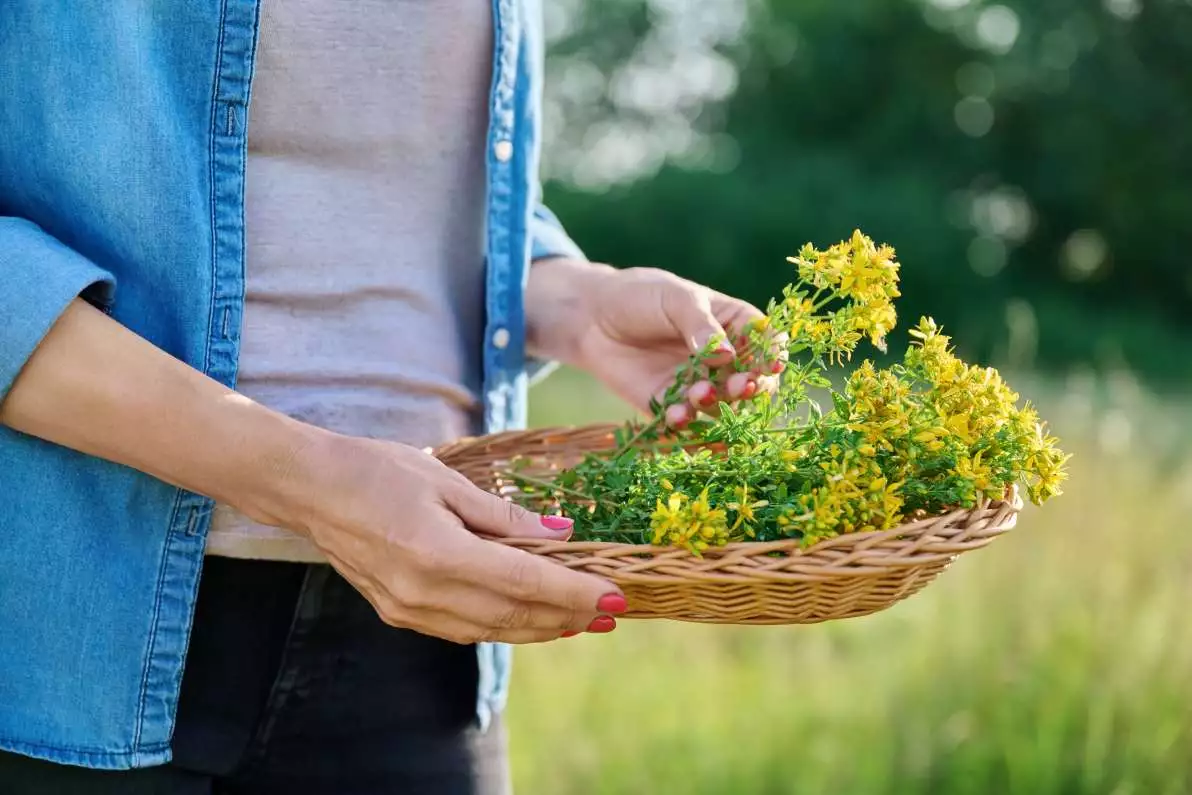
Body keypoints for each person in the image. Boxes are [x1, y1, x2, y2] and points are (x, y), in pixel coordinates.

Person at [0, 2, 770, 793]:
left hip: (426, 649)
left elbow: (407, 200)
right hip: (82, 646)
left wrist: (576, 304)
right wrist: (309, 479)